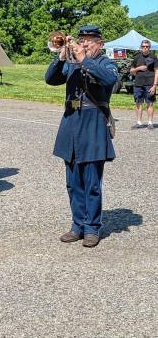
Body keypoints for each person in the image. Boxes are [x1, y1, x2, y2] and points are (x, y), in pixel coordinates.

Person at [45, 25, 118, 247]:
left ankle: (92, 228)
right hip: (71, 123)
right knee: (73, 181)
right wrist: (61, 57)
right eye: (82, 39)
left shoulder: (107, 63)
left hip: (93, 122)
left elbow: (108, 80)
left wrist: (84, 58)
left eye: (89, 40)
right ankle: (77, 225)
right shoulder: (72, 62)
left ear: (100, 44)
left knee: (92, 182)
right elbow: (50, 79)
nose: (84, 43)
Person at [130, 39, 158, 129]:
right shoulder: (137, 57)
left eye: (147, 46)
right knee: (138, 103)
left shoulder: (153, 57)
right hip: (138, 84)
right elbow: (131, 71)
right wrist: (138, 68)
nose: (145, 48)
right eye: (143, 46)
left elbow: (157, 71)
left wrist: (154, 85)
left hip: (150, 84)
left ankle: (150, 123)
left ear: (149, 47)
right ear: (141, 47)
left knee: (150, 103)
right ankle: (139, 122)